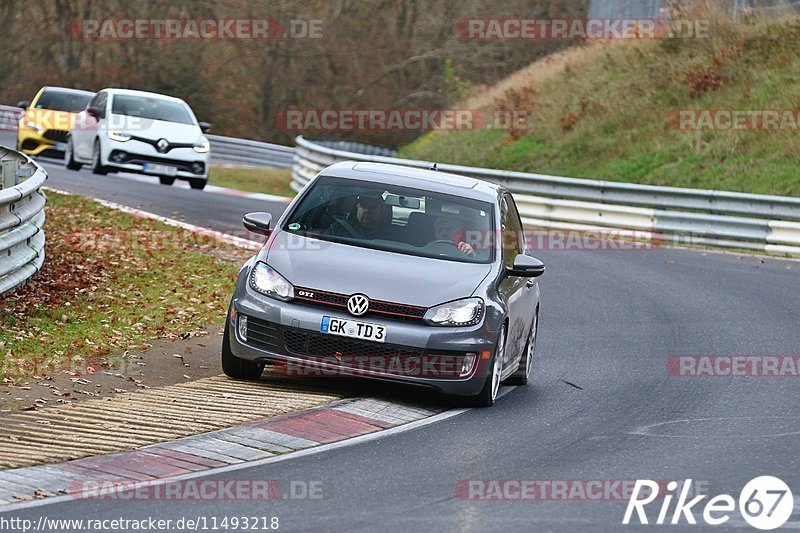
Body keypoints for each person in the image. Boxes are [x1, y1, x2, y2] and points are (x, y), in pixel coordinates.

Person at [327, 192, 394, 240]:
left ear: (382, 210)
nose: (366, 210)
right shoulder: (338, 229)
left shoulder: (393, 235)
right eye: (363, 206)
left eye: (373, 207)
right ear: (357, 207)